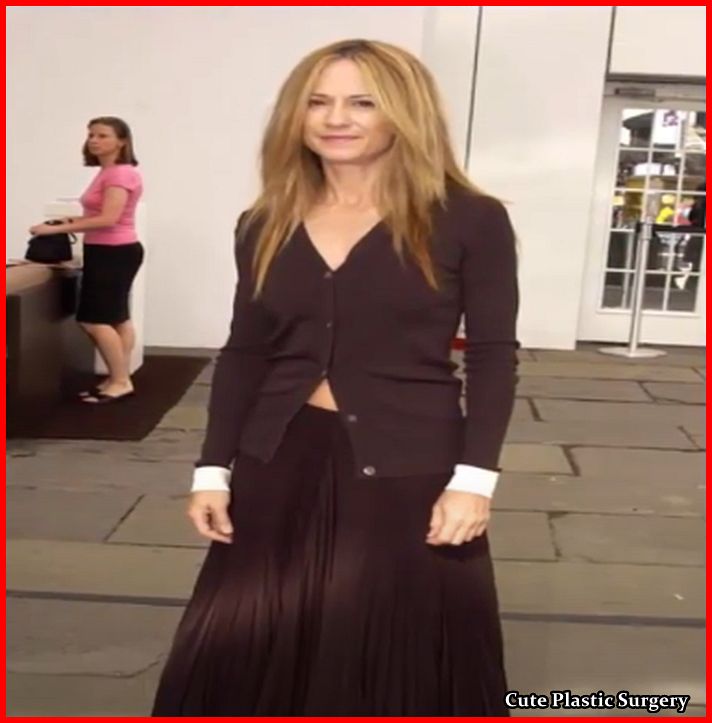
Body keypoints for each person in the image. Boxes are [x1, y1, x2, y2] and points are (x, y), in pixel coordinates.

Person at [152, 38, 519, 716]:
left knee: (397, 648)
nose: (335, 118)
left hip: (410, 467)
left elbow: (494, 354)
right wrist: (212, 470)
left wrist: (474, 481)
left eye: (361, 102)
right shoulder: (264, 223)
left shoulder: (469, 218)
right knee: (253, 639)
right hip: (278, 459)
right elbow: (245, 354)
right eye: (317, 102)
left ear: (403, 113)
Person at [29, 116, 144, 403]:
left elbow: (108, 218)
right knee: (117, 318)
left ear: (121, 141)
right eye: (91, 135)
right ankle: (118, 377)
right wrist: (68, 221)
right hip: (110, 250)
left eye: (103, 136)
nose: (94, 140)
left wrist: (55, 229)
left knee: (94, 320)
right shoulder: (109, 172)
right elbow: (100, 215)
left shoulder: (119, 174)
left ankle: (120, 381)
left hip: (114, 252)